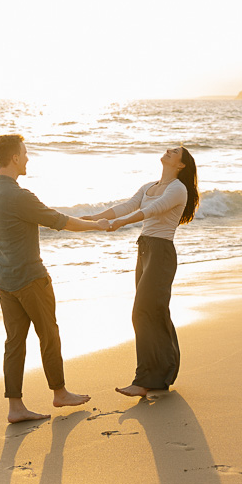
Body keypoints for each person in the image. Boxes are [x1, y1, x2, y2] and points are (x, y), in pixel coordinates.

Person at [0, 134, 109, 422]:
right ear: (14, 157)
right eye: (24, 153)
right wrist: (96, 225)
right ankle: (60, 393)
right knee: (48, 334)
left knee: (14, 342)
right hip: (30, 277)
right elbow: (58, 221)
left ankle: (15, 407)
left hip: (3, 277)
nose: (27, 158)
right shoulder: (19, 196)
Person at [84, 146, 199, 397]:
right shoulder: (149, 186)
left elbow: (152, 210)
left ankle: (144, 380)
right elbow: (127, 205)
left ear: (181, 165)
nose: (168, 151)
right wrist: (93, 218)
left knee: (142, 312)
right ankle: (162, 374)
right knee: (154, 312)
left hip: (161, 253)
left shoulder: (178, 189)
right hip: (145, 250)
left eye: (174, 152)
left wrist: (120, 223)